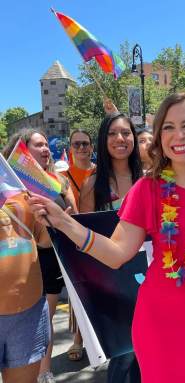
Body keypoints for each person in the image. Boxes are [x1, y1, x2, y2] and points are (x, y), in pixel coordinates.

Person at [29, 92, 185, 383]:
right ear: (159, 137)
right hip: (161, 325)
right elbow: (116, 252)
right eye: (168, 127)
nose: (178, 135)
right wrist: (64, 222)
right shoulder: (147, 190)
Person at [3, 129, 78, 383]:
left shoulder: (47, 183)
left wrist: (60, 221)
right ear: (21, 149)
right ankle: (45, 372)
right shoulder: (12, 185)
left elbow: (53, 234)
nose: (46, 149)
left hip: (56, 265)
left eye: (47, 144)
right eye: (39, 145)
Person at [79, 112, 142, 383]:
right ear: (103, 140)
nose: (120, 139)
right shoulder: (93, 185)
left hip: (149, 281)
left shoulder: (148, 180)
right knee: (125, 359)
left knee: (154, 355)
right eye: (113, 133)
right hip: (114, 287)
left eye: (126, 133)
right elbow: (84, 240)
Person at [61, 129, 96, 361]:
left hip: (100, 234)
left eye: (85, 144)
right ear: (70, 148)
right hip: (75, 238)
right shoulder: (62, 176)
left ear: (92, 147)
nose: (82, 148)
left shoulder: (101, 172)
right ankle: (78, 340)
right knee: (78, 288)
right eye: (77, 144)